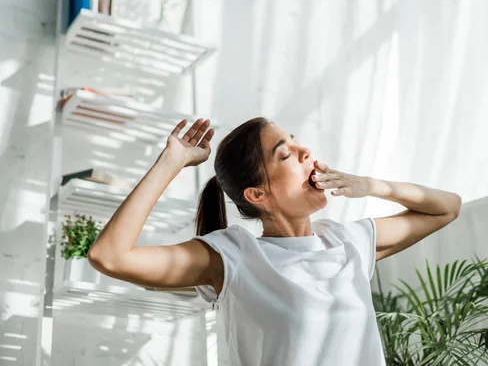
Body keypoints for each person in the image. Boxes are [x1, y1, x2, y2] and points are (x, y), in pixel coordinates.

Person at [87, 117, 461, 366]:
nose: (306, 153)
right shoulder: (233, 257)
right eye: (286, 154)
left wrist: (372, 185)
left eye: (298, 144)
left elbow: (447, 208)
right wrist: (171, 161)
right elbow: (110, 256)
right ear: (257, 194)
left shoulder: (348, 243)